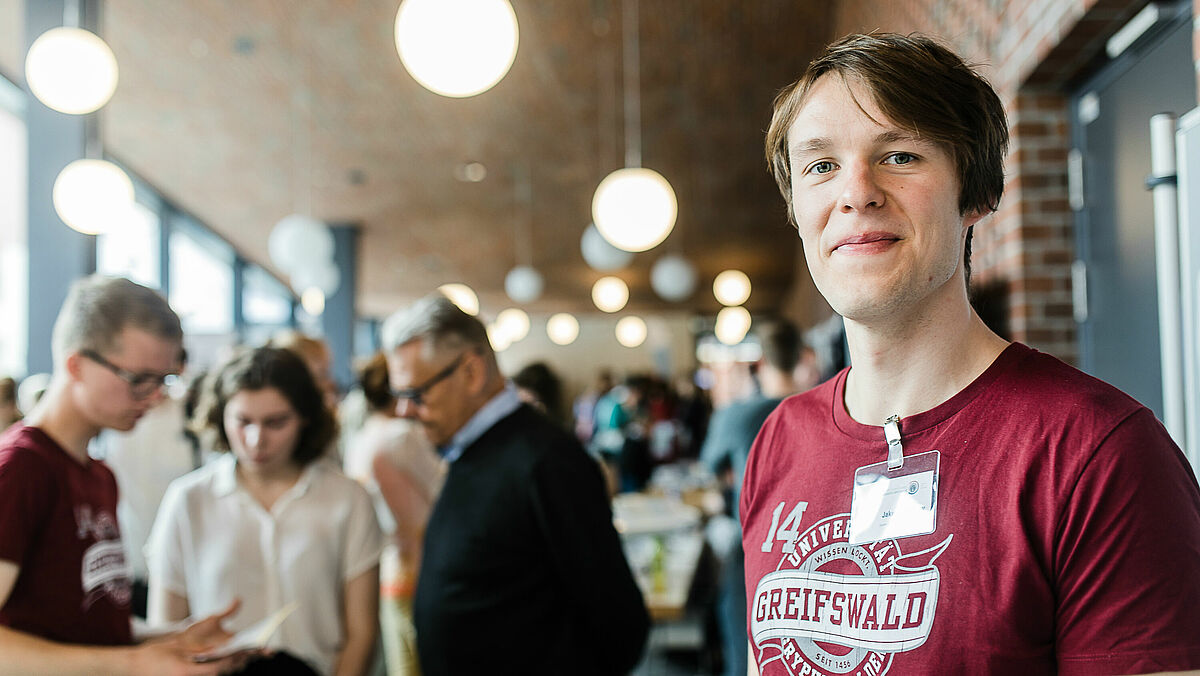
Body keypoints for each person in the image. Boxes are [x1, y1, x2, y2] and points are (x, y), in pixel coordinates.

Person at [742, 32, 1200, 675]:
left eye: (900, 155)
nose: (857, 192)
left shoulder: (1097, 452)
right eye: (821, 166)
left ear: (977, 193)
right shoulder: (778, 441)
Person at [382, 293, 648, 676]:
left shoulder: (546, 460)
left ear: (471, 372)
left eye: (416, 394)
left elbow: (619, 623)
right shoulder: (471, 450)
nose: (404, 410)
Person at [0, 275, 245, 674]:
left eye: (163, 379)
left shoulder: (99, 475)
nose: (154, 396)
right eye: (139, 379)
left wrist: (172, 638)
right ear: (77, 365)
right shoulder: (21, 469)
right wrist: (132, 663)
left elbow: (86, 625)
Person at [147, 346, 383, 676]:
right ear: (221, 416)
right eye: (243, 421)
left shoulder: (348, 499)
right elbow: (165, 628)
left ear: (304, 417)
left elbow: (361, 631)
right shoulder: (188, 499)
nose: (256, 440)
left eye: (276, 422)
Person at [700, 319, 807, 676]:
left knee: (748, 651)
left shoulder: (738, 415)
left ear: (758, 363)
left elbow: (709, 465)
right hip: (814, 546)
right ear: (801, 357)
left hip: (754, 549)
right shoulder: (828, 408)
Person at [343, 352, 444, 676]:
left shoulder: (362, 437)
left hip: (387, 564)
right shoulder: (401, 436)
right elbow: (442, 489)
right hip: (421, 562)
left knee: (403, 662)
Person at [90, 349, 200, 619]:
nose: (154, 390)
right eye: (143, 378)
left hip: (179, 570)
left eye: (165, 377)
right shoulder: (113, 420)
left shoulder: (189, 416)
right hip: (122, 565)